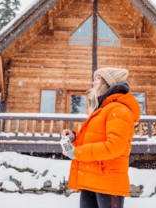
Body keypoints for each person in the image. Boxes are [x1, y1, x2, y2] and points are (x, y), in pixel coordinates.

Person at [62, 67, 140, 208]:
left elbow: (113, 147)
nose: (93, 82)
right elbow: (95, 140)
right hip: (92, 178)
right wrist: (75, 138)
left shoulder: (119, 110)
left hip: (108, 181)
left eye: (98, 78)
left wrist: (78, 153)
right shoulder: (102, 109)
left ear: (107, 83)